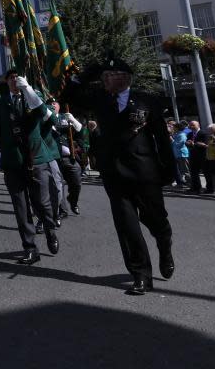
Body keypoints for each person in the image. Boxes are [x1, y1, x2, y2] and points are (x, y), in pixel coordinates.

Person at [64, 57, 174, 295]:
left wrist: (168, 169)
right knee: (127, 226)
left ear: (125, 78)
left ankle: (164, 245)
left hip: (145, 171)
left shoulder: (146, 100)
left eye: (111, 75)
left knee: (156, 219)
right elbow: (69, 97)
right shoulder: (100, 99)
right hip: (114, 171)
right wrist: (85, 75)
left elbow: (162, 138)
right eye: (104, 76)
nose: (106, 79)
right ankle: (141, 274)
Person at [0, 69, 60, 266]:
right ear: (6, 81)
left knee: (42, 204)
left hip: (36, 159)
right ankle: (30, 248)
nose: (15, 80)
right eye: (11, 78)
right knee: (21, 208)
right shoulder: (0, 102)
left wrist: (28, 89)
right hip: (13, 162)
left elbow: (49, 118)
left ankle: (50, 231)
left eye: (18, 77)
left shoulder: (34, 96)